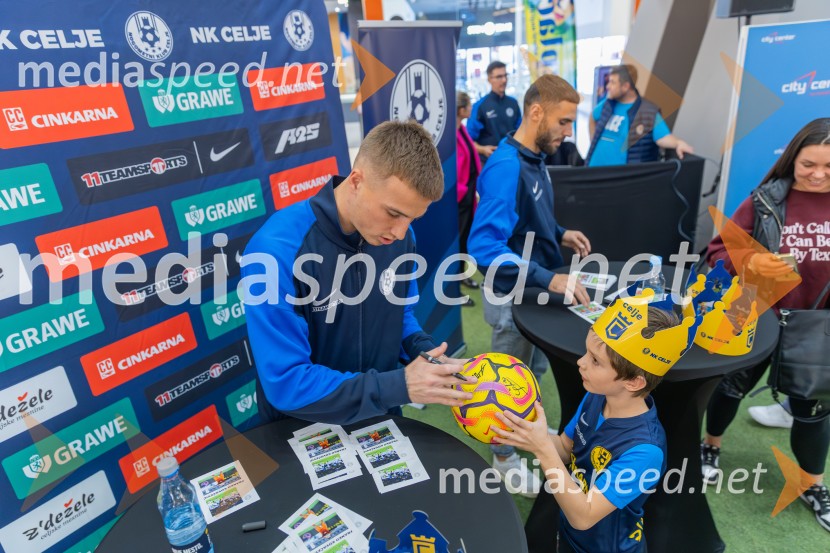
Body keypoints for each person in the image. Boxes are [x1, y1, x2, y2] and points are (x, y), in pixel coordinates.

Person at [242, 120, 476, 425]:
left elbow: (399, 314)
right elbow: (286, 382)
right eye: (393, 213)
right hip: (303, 428)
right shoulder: (274, 251)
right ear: (356, 181)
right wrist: (399, 385)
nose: (400, 231)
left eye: (413, 218)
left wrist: (423, 349)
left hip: (381, 413)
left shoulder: (402, 237)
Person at [700, 118, 830, 532]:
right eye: (809, 164)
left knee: (814, 411)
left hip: (817, 327)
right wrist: (751, 261)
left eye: (829, 167)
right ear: (793, 159)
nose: (818, 175)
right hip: (755, 313)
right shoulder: (766, 198)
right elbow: (717, 251)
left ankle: (813, 483)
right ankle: (710, 447)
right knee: (730, 387)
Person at [468, 74, 592, 497]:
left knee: (531, 375)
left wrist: (559, 233)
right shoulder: (506, 166)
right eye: (563, 121)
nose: (568, 131)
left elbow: (528, 218)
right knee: (507, 384)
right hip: (513, 297)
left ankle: (530, 434)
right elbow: (484, 246)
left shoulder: (533, 158)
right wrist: (547, 275)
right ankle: (503, 457)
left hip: (534, 292)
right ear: (536, 112)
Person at [492, 301, 687, 553]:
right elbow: (564, 447)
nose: (580, 363)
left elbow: (583, 516)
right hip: (570, 534)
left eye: (595, 361)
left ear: (633, 381)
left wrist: (541, 449)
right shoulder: (597, 396)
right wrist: (520, 426)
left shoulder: (645, 451)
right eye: (587, 353)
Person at [586, 64, 694, 167]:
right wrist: (593, 140)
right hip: (593, 173)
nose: (608, 86)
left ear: (625, 86)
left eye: (612, 82)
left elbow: (663, 137)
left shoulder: (646, 111)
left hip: (617, 180)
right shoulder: (608, 103)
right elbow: (592, 117)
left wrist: (679, 143)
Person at [467, 61, 522, 163]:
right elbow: (468, 140)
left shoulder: (513, 103)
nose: (504, 80)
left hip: (511, 160)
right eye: (499, 77)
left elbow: (521, 132)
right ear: (489, 79)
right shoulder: (480, 106)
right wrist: (482, 149)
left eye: (505, 75)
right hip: (489, 162)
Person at [456, 91, 483, 299]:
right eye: (469, 105)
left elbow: (470, 152)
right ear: (462, 109)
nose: (472, 108)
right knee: (457, 241)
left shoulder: (461, 130)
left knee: (464, 239)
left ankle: (462, 275)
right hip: (458, 199)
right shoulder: (451, 134)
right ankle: (453, 285)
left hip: (467, 196)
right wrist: (463, 192)